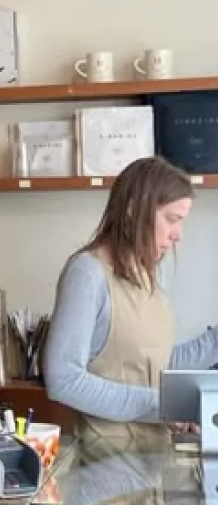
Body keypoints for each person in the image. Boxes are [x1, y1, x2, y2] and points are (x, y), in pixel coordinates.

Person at [44, 156, 218, 446]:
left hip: (151, 454)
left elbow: (154, 361)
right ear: (134, 210)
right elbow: (63, 379)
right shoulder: (87, 274)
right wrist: (161, 405)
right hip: (104, 457)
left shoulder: (149, 274)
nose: (178, 235)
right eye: (172, 219)